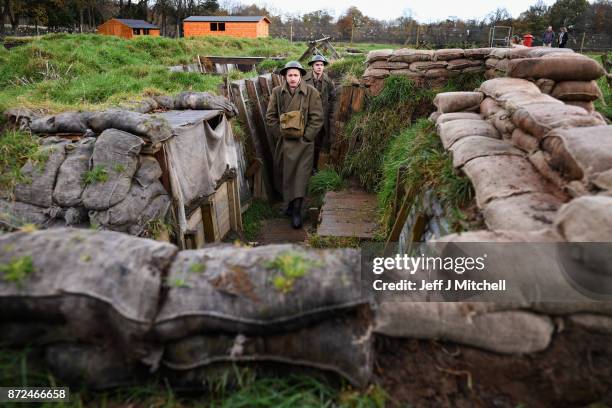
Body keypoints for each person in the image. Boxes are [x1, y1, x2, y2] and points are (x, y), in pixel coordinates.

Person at [266, 61, 323, 229]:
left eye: (295, 75)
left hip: (303, 145)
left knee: (300, 177)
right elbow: (270, 117)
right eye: (289, 75)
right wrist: (281, 134)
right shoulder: (277, 93)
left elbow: (317, 118)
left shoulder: (311, 93)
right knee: (285, 174)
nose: (292, 78)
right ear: (285, 76)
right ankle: (289, 206)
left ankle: (297, 210)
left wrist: (306, 137)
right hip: (284, 143)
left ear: (300, 76)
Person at [303, 54, 336, 173]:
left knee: (319, 143)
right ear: (312, 66)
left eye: (321, 65)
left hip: (322, 118)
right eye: (317, 65)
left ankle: (314, 167)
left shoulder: (328, 81)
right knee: (306, 142)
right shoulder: (304, 79)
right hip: (308, 116)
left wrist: (330, 113)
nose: (319, 67)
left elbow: (333, 98)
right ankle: (306, 167)